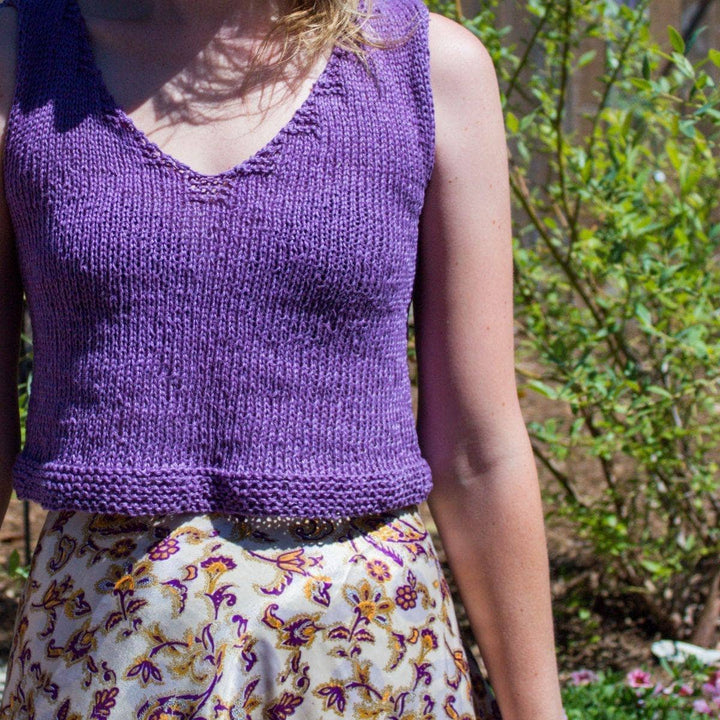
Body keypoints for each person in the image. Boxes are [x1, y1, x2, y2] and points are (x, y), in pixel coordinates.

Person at [0, 0, 565, 718]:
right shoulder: (22, 57)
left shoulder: (428, 67)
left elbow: (478, 453)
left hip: (372, 653)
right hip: (102, 653)